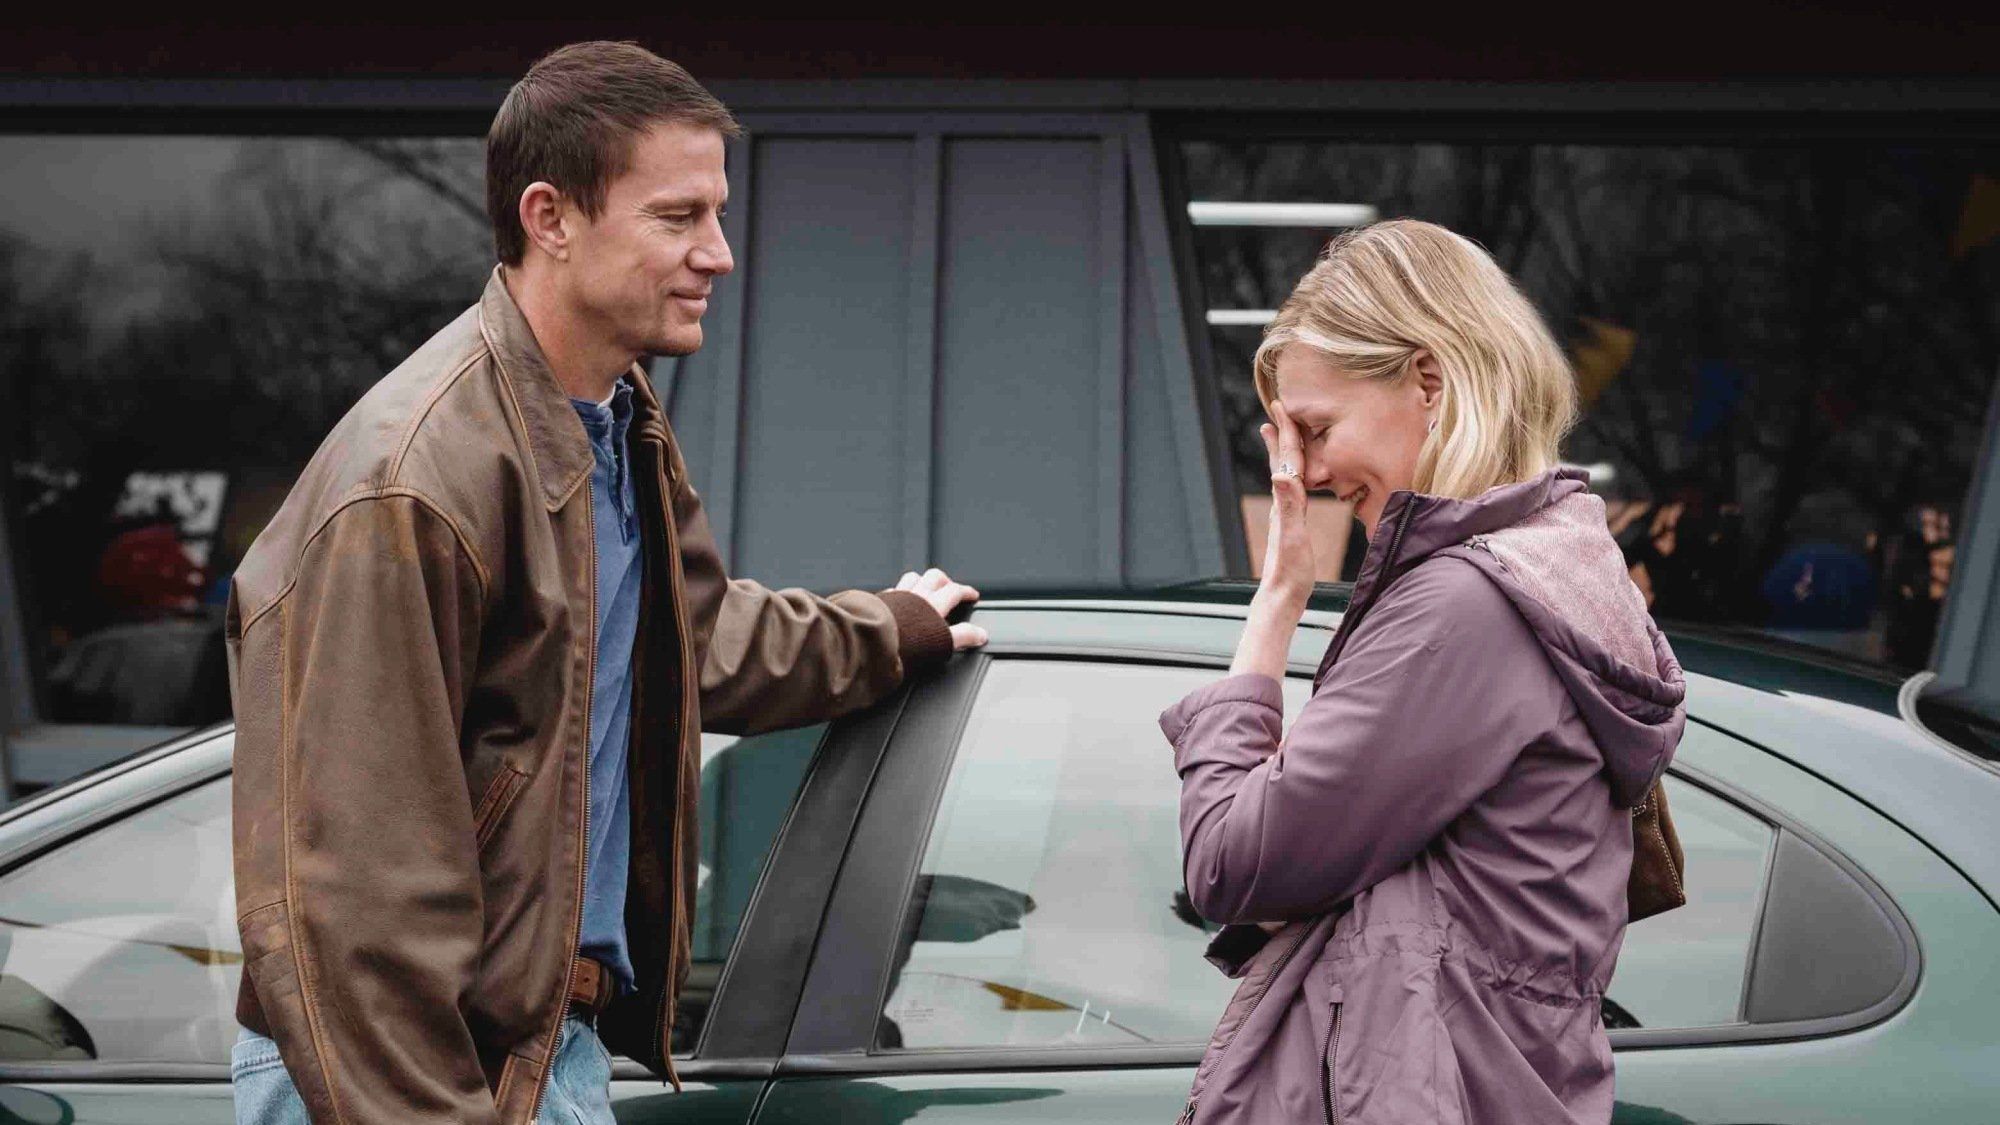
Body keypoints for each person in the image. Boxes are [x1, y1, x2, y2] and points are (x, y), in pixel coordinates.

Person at [225, 42, 986, 1125]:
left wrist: (892, 630)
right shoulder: (413, 483)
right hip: (421, 1075)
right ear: (550, 218)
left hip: (539, 1053)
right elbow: (353, 897)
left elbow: (690, 641)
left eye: (716, 214)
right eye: (678, 218)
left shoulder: (610, 421)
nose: (718, 253)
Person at [1160, 220, 1687, 1124]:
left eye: (1317, 430)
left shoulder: (1464, 608)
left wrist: (1275, 605)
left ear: (1430, 383)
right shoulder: (1556, 574)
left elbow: (1230, 864)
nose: (1306, 472)